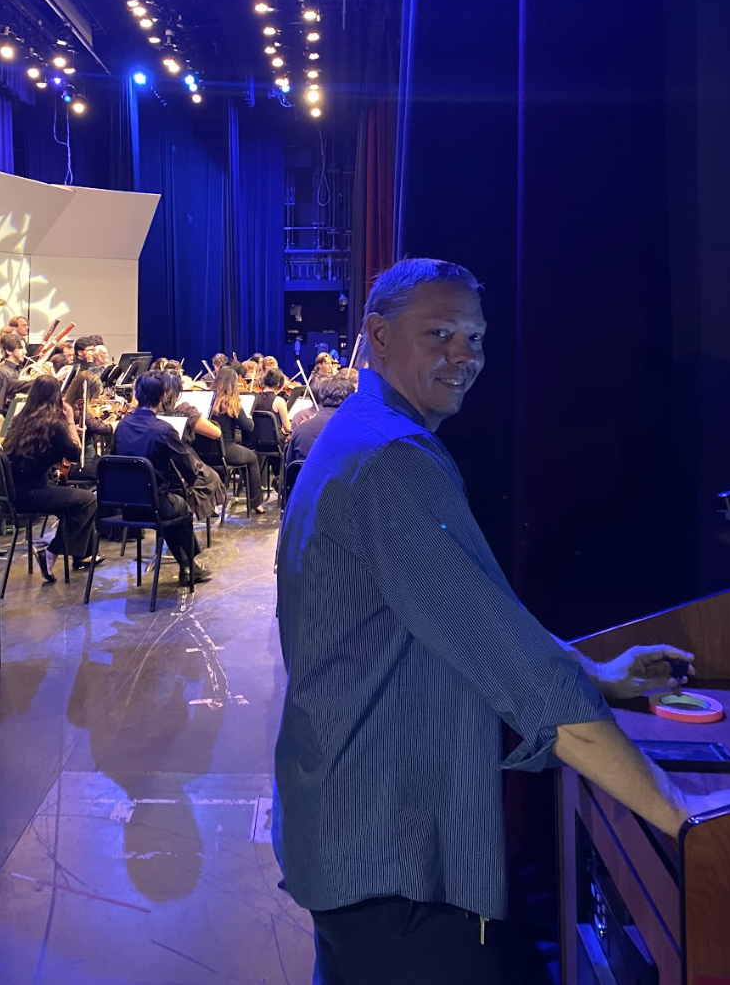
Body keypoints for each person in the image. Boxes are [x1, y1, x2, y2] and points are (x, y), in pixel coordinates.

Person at [274, 258, 705, 984]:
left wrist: (599, 674)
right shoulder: (392, 461)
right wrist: (691, 826)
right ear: (377, 336)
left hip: (356, 832)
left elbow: (473, 620)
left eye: (473, 337)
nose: (463, 356)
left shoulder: (362, 434)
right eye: (439, 333)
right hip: (397, 853)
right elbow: (516, 669)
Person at [113, 372, 212, 584]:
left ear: (137, 396)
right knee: (179, 507)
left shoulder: (122, 425)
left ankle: (189, 566)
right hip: (153, 504)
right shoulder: (163, 430)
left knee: (169, 505)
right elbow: (188, 468)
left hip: (124, 504)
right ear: (162, 397)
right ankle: (188, 565)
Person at [2, 375, 103, 580]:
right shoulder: (54, 425)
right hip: (32, 494)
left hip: (12, 494)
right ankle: (51, 552)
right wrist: (71, 424)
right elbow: (75, 454)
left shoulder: (20, 420)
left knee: (76, 500)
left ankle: (82, 554)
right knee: (88, 500)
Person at [159, 371, 226, 521]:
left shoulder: (152, 411)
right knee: (211, 477)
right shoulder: (185, 410)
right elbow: (215, 433)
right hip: (180, 467)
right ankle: (199, 510)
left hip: (160, 470)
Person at [210, 365, 264, 514]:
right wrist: (248, 417)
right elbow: (248, 427)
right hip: (226, 450)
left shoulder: (209, 399)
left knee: (217, 465)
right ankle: (256, 503)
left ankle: (213, 504)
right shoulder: (232, 402)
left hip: (206, 452)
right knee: (252, 458)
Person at [284, 375, 353, 468]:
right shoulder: (355, 429)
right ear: (351, 399)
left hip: (306, 482)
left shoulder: (300, 430)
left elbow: (290, 468)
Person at [0, 331, 29, 415]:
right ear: (9, 351)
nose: (25, 352)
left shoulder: (21, 368)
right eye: (21, 348)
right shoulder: (2, 372)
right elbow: (0, 403)